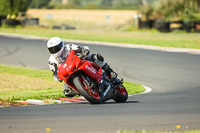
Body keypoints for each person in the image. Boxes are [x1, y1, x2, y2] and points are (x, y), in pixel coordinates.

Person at [47, 37, 118, 97]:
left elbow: (80, 49)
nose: (54, 50)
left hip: (80, 63)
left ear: (61, 45)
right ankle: (82, 90)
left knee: (96, 57)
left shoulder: (69, 47)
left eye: (56, 48)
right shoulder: (51, 60)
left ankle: (110, 71)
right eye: (51, 49)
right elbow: (55, 72)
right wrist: (57, 76)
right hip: (69, 73)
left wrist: (83, 51)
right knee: (66, 92)